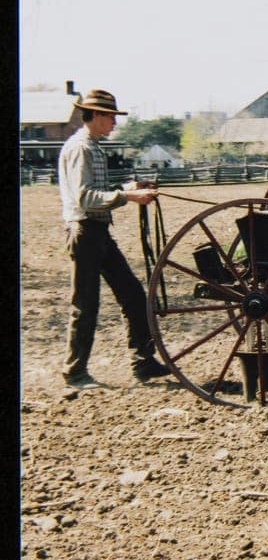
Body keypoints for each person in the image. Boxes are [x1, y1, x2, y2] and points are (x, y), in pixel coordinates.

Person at [58, 88, 172, 390]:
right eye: (110, 117)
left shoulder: (93, 147)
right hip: (84, 231)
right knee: (85, 304)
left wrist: (129, 186)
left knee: (134, 295)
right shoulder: (80, 148)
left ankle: (143, 363)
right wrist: (130, 196)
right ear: (94, 115)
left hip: (98, 232)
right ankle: (75, 372)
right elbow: (85, 198)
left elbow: (98, 190)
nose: (114, 123)